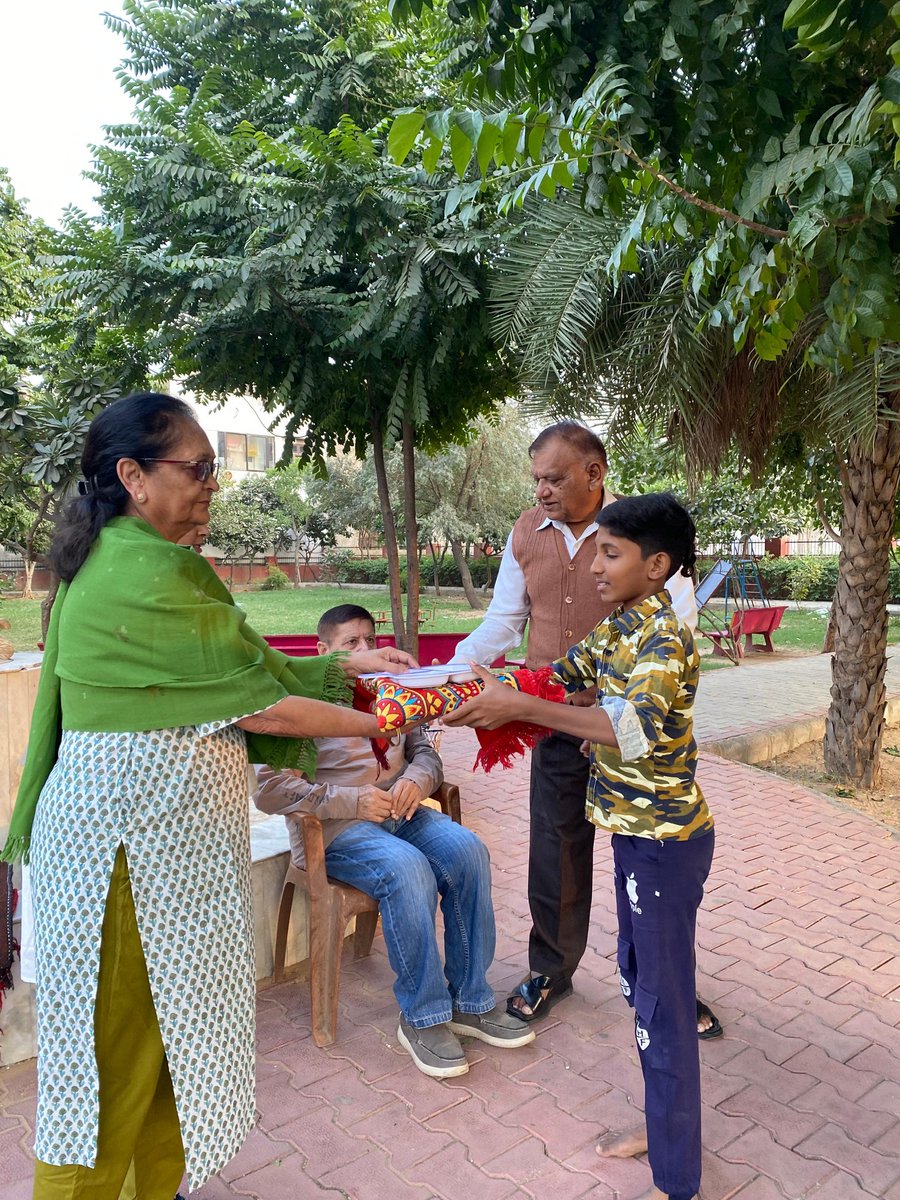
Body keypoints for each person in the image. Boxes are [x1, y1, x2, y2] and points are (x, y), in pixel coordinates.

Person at [1, 393, 418, 1200]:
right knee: (105, 1083)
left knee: (164, 1059)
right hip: (120, 865)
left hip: (163, 860)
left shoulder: (138, 562)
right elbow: (262, 704)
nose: (210, 487)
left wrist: (355, 669)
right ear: (134, 476)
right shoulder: (144, 569)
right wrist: (397, 705)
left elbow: (242, 667)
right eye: (196, 469)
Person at [445, 492, 714, 1200]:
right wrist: (479, 684)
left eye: (611, 553)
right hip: (634, 840)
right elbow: (559, 677)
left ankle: (678, 1177)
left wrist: (522, 708)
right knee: (642, 984)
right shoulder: (621, 626)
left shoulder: (664, 640)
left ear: (656, 566)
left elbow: (628, 730)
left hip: (663, 847)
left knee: (660, 1004)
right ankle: (666, 1125)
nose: (593, 565)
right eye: (596, 550)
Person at [448, 423, 719, 1039]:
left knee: (648, 865)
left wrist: (606, 688)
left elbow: (671, 637)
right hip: (554, 715)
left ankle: (669, 984)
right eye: (536, 478)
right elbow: (503, 620)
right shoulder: (526, 533)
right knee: (556, 847)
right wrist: (454, 678)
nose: (541, 490)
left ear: (594, 474)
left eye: (555, 478)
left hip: (634, 740)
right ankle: (553, 968)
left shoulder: (641, 533)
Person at [253, 604, 536, 1079]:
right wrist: (350, 800)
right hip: (337, 831)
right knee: (408, 869)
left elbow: (426, 752)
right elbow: (271, 790)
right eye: (351, 644)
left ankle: (469, 1000)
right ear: (324, 652)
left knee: (469, 851)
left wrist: (419, 782)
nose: (366, 652)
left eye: (370, 640)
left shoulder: (396, 695)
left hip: (401, 814)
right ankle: (423, 1017)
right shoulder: (305, 703)